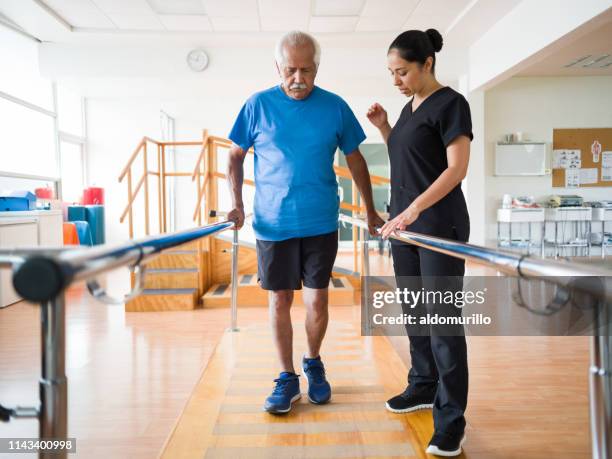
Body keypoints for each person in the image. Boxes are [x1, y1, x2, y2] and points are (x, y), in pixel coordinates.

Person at [227, 30, 384, 414]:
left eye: (307, 71)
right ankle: (286, 377)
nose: (299, 79)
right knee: (279, 299)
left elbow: (356, 158)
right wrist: (236, 205)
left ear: (317, 68)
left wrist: (370, 209)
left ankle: (312, 362)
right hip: (273, 223)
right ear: (278, 67)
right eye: (291, 70)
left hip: (320, 223)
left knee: (317, 299)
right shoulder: (257, 105)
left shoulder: (335, 107)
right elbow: (234, 157)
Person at [367, 28, 472, 456]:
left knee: (444, 325)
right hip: (405, 230)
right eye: (392, 73)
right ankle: (422, 386)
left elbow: (455, 169)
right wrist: (385, 127)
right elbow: (408, 157)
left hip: (438, 227)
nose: (396, 81)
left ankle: (451, 422)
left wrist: (413, 211)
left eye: (403, 72)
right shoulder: (409, 107)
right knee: (415, 313)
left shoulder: (452, 104)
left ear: (427, 63)